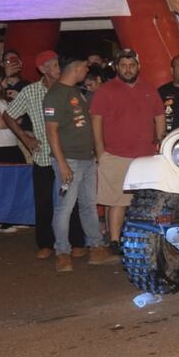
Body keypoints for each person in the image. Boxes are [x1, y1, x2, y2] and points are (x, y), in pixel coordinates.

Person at [4, 50, 86, 260]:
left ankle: (77, 241)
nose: (60, 69)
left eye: (60, 64)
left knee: (71, 200)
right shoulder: (31, 91)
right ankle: (45, 243)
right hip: (43, 157)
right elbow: (8, 114)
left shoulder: (71, 90)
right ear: (43, 69)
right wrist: (26, 138)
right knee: (44, 202)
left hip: (67, 155)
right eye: (56, 65)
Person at [44, 56, 119, 272]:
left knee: (89, 205)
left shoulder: (77, 92)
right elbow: (52, 131)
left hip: (86, 159)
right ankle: (62, 252)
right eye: (85, 69)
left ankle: (96, 248)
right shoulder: (55, 94)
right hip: (69, 160)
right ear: (76, 68)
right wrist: (62, 164)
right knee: (64, 208)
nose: (87, 72)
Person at [90, 49, 165, 253]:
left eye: (131, 65)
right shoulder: (105, 90)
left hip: (145, 156)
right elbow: (96, 121)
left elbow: (159, 116)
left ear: (138, 66)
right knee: (117, 201)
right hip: (115, 155)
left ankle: (144, 238)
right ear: (116, 67)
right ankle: (114, 241)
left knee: (145, 200)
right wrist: (100, 152)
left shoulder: (149, 89)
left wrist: (160, 144)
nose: (128, 69)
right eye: (123, 65)